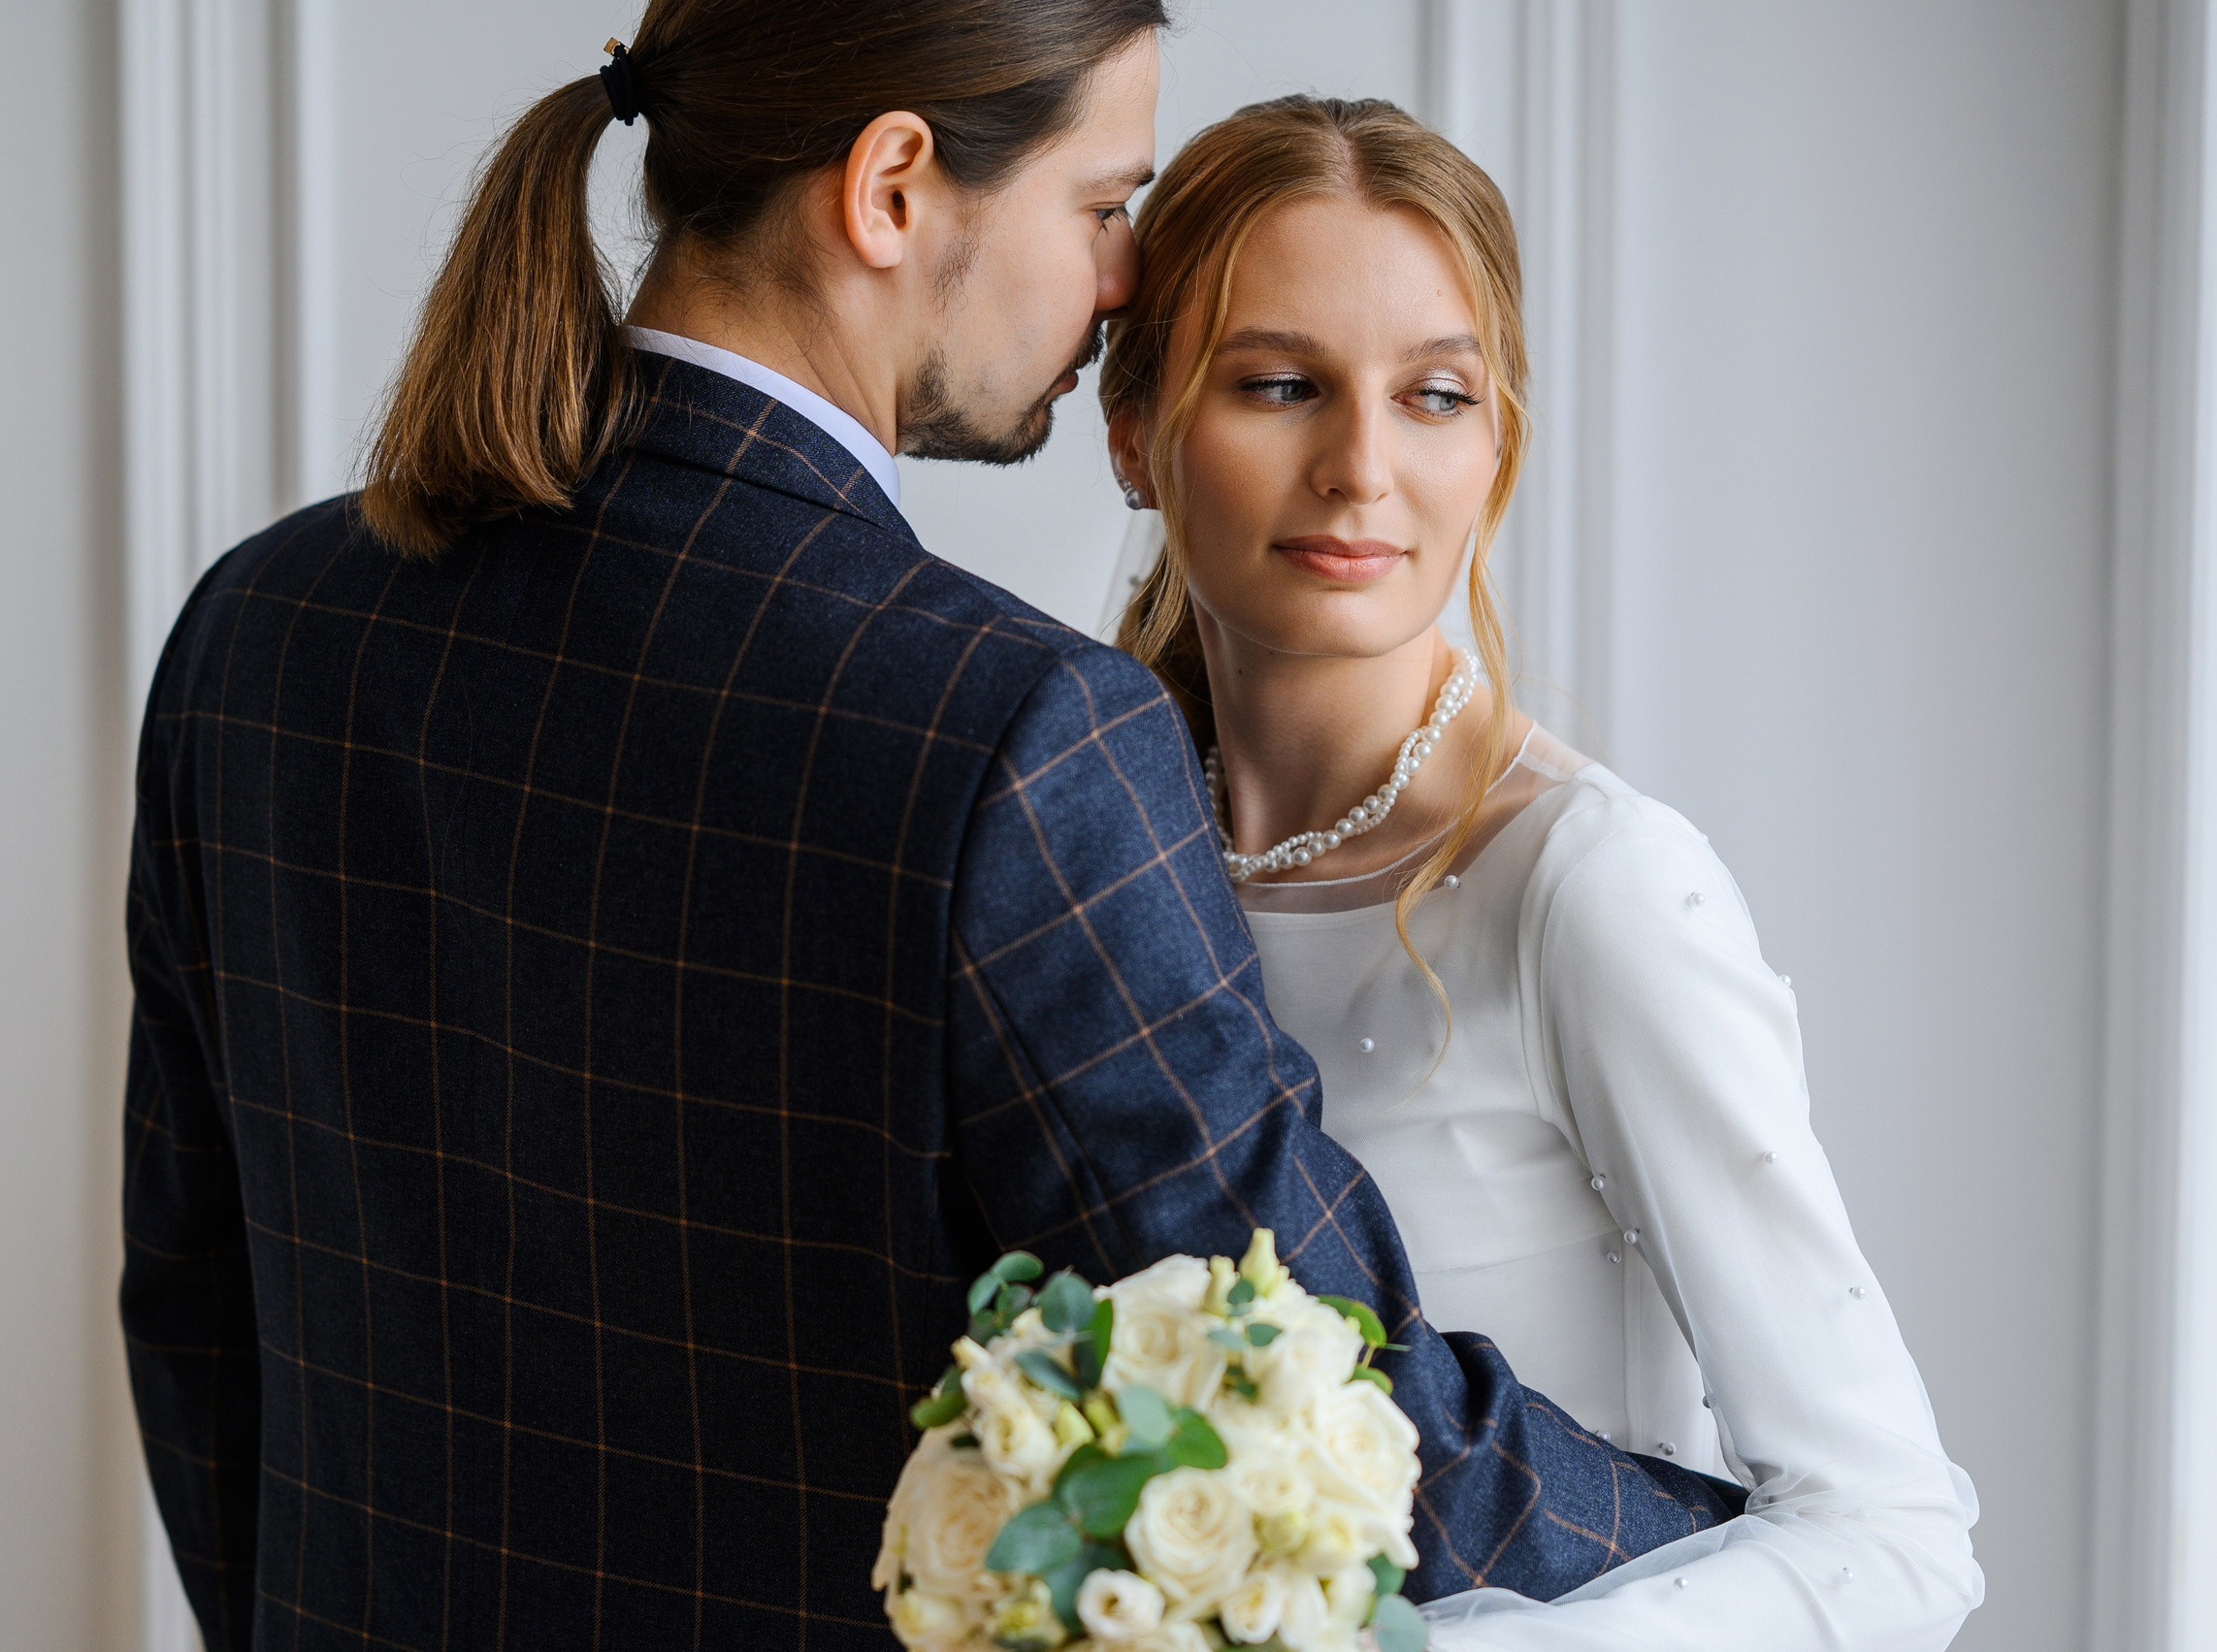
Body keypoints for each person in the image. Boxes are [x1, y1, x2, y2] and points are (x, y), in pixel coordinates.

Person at [117, 7, 1742, 1647]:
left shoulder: (260, 629)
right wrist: (1730, 1539)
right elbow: (1310, 1380)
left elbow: (194, 1310)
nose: (1120, 285)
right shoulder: (1014, 733)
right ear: (892, 187)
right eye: (1104, 205)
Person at [1102, 96, 1985, 1649]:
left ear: (1496, 438)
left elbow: (1897, 1536)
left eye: (1434, 395)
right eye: (1282, 384)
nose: (1360, 467)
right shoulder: (1091, 862)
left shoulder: (1593, 887)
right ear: (1133, 431)